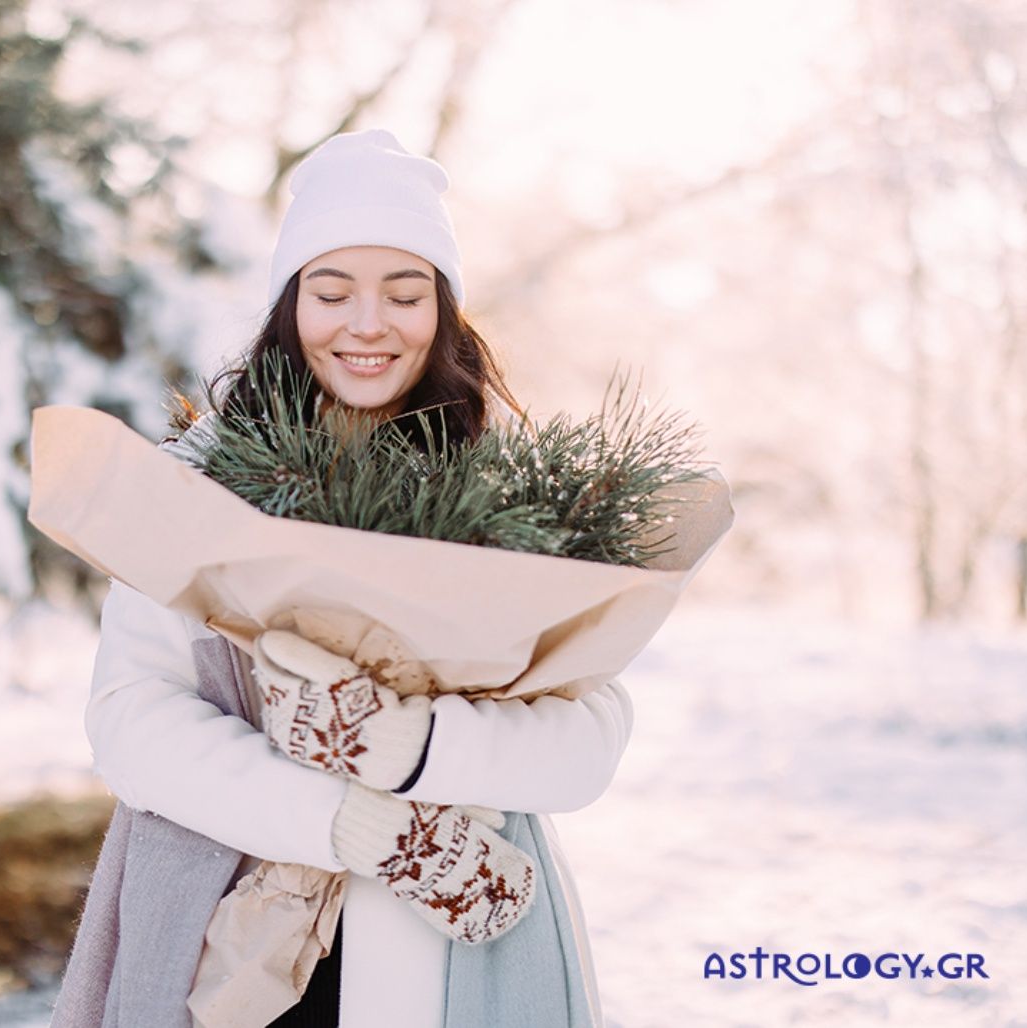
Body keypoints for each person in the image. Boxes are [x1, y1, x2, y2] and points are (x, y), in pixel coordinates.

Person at [68, 129, 635, 1028]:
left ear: (442, 312)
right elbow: (131, 720)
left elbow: (591, 734)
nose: (367, 325)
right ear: (290, 306)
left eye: (404, 295)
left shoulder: (507, 487)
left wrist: (416, 749)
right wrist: (339, 819)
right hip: (221, 923)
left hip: (451, 943)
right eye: (332, 293)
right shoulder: (199, 483)